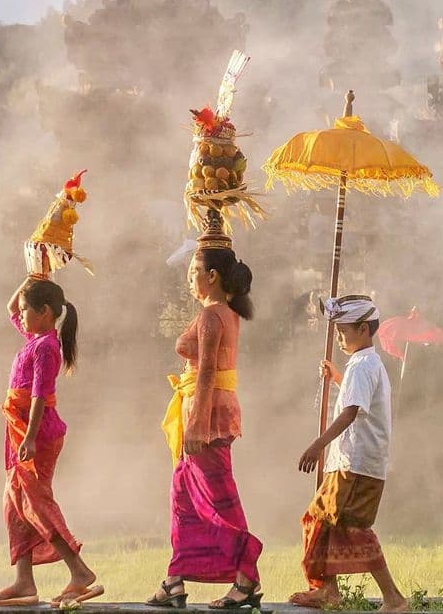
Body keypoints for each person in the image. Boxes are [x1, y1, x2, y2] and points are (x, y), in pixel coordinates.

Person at [148, 243, 264, 610]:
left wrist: (196, 427)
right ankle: (174, 580)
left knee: (216, 498)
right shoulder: (219, 312)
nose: (189, 281)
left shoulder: (214, 315)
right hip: (203, 412)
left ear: (211, 276)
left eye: (193, 273)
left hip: (207, 416)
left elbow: (208, 372)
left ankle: (246, 577)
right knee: (183, 498)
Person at [0, 278, 103, 608]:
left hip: (38, 432)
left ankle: (79, 571)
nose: (19, 316)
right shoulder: (34, 338)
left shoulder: (47, 347)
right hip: (18, 430)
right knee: (14, 502)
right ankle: (24, 581)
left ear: (45, 312)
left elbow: (39, 396)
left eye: (26, 311)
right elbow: (9, 308)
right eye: (22, 311)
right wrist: (33, 274)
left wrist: (32, 437)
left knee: (36, 501)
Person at [291, 295, 408, 612]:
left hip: (355, 464)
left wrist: (318, 445)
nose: (340, 337)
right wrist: (336, 377)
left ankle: (394, 598)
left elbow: (351, 412)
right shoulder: (365, 365)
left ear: (364, 329)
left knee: (350, 528)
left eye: (344, 330)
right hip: (350, 462)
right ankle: (328, 589)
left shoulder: (363, 365)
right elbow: (357, 400)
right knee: (322, 520)